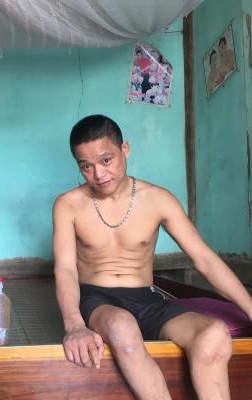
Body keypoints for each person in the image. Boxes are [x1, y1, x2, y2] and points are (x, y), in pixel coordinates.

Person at [52, 114, 252, 400]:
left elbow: (204, 260)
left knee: (214, 333)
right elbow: (66, 269)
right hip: (96, 298)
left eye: (106, 160)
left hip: (146, 297)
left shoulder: (158, 199)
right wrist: (74, 325)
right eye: (86, 166)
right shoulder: (68, 205)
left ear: (125, 149)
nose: (99, 174)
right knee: (122, 327)